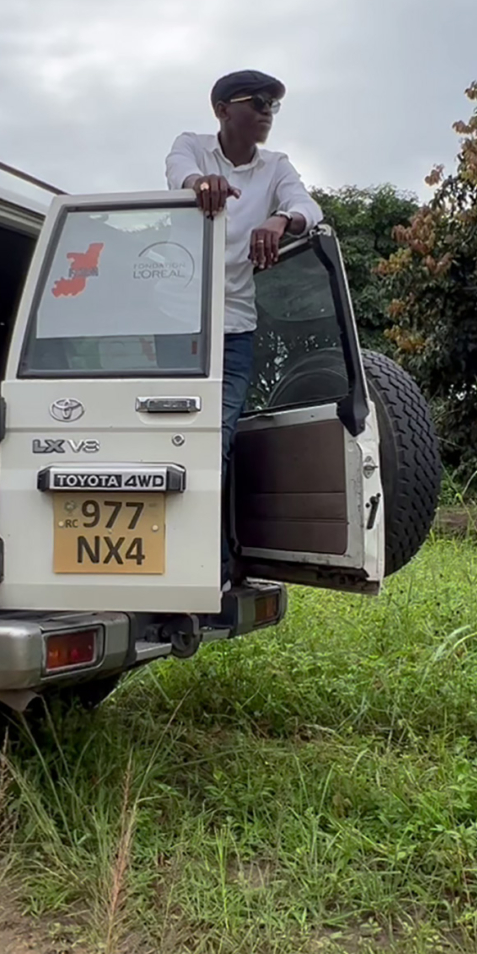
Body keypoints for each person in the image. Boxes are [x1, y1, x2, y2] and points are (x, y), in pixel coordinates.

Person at [164, 69, 324, 594]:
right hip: (177, 326)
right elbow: (180, 175)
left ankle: (209, 563)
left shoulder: (275, 167)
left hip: (234, 328)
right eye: (256, 101)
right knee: (169, 439)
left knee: (219, 439)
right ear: (221, 110)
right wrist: (200, 185)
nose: (266, 111)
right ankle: (172, 554)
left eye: (274, 104)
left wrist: (281, 222)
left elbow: (307, 206)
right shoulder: (191, 147)